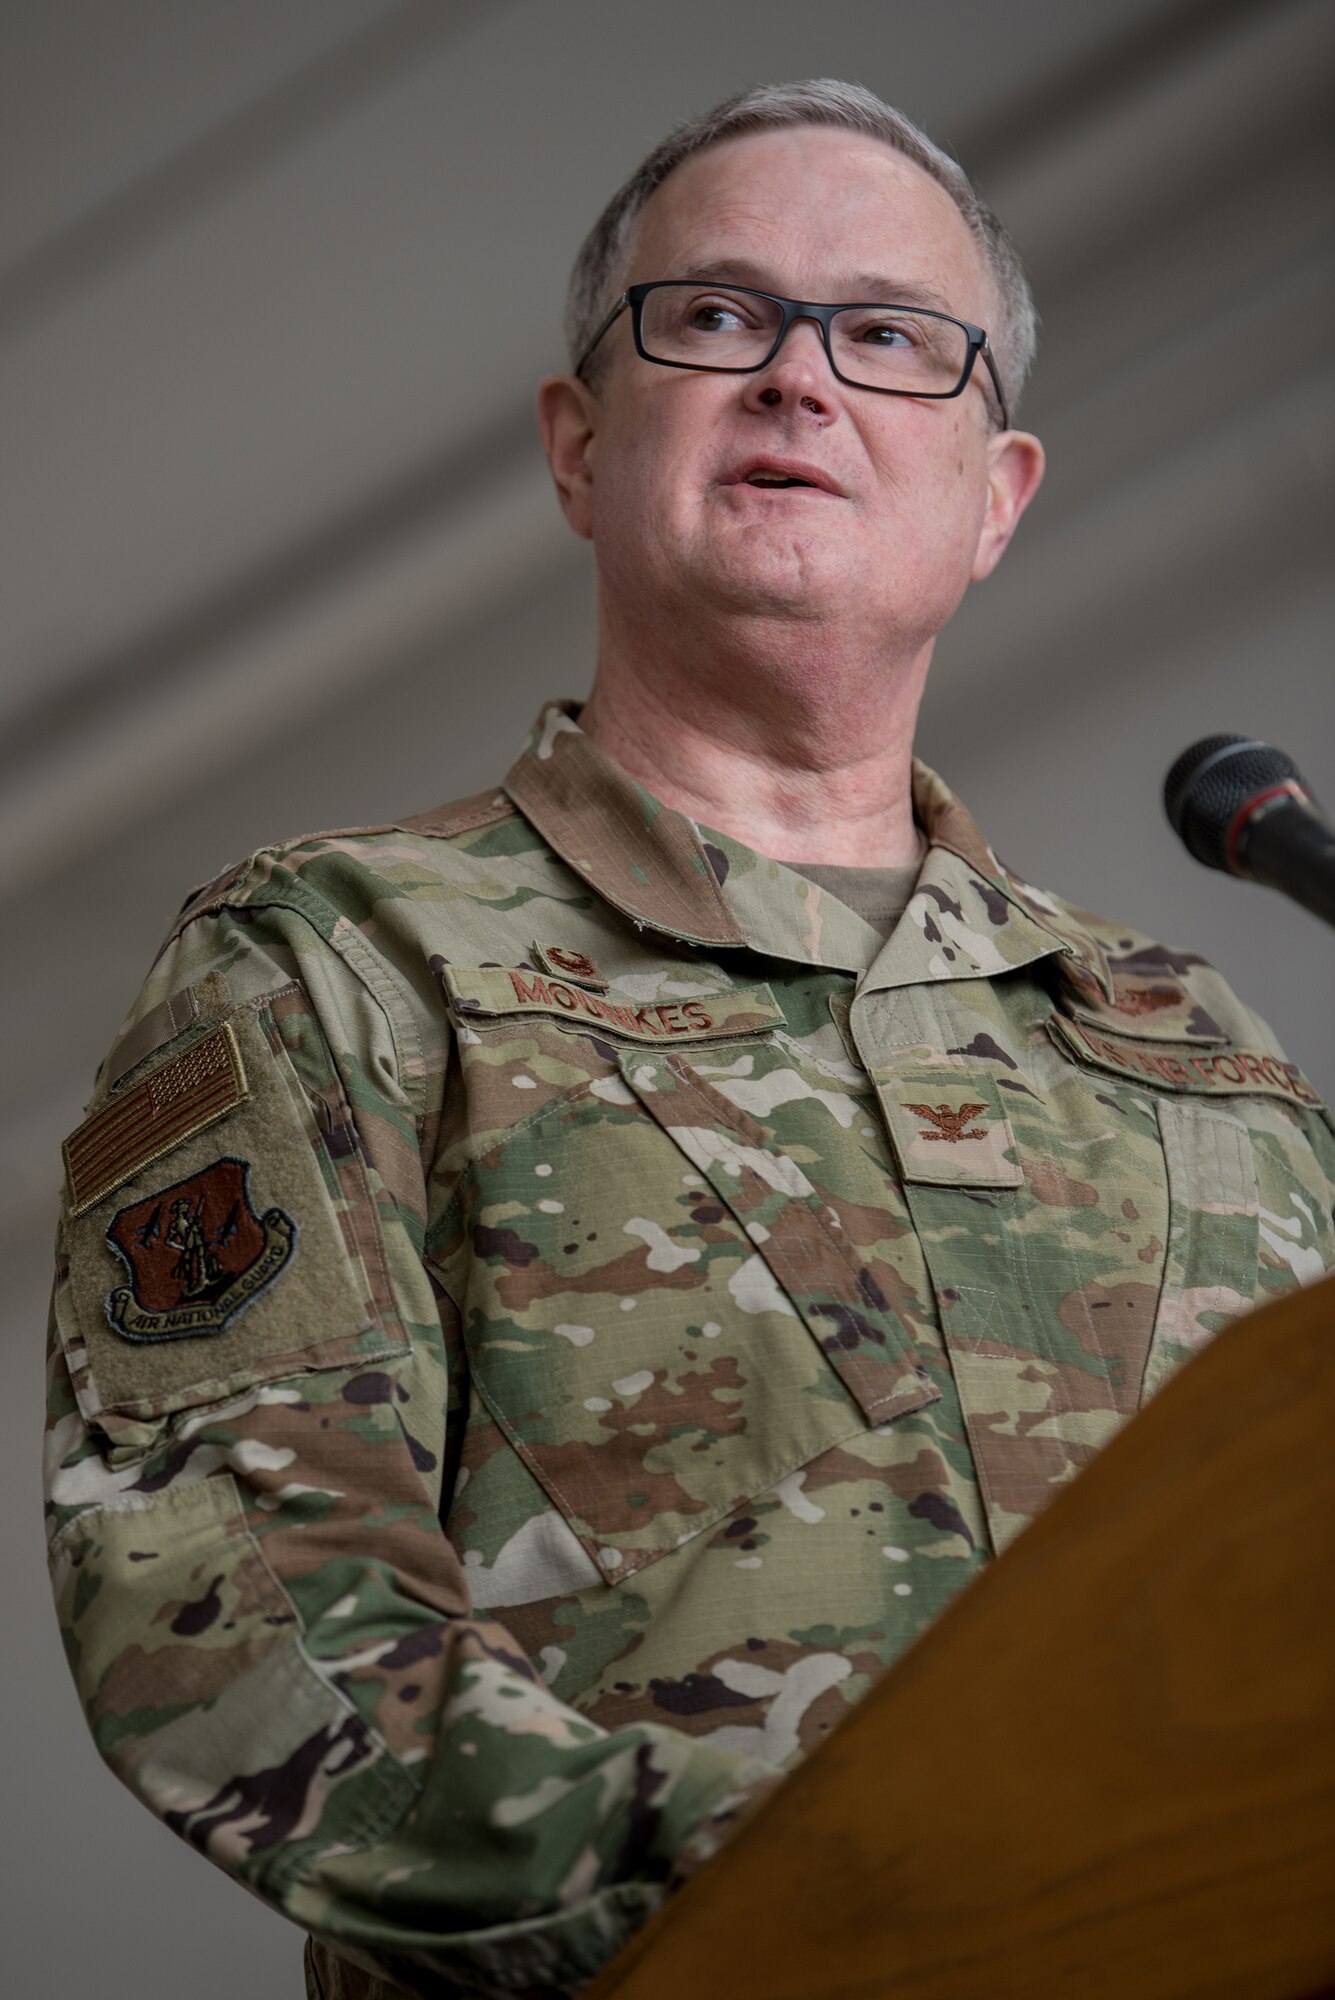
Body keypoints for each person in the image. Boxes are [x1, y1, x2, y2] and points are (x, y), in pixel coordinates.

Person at [44, 78, 1335, 2000]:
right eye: (719, 318)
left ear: (997, 498)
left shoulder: (1201, 1049)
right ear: (581, 445)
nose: (801, 380)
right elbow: (228, 1601)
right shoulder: (342, 960)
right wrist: (811, 1907)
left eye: (890, 336)